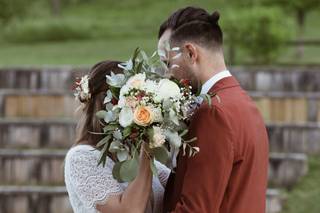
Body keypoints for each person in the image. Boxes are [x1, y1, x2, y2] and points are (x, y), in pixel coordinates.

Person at [158, 7, 269, 213]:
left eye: (168, 63)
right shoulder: (244, 104)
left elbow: (195, 209)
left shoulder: (213, 113)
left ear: (191, 53)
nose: (167, 75)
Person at [64, 60, 170, 213]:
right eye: (135, 99)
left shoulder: (130, 151)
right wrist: (148, 142)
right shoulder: (81, 157)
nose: (139, 105)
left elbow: (178, 185)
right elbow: (129, 211)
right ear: (111, 103)